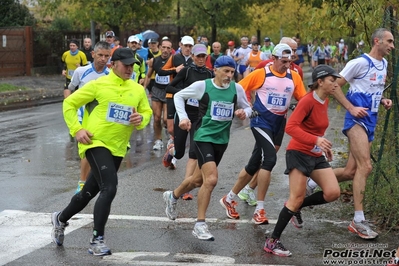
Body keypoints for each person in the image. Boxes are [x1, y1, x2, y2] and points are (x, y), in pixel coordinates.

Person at [51, 47, 153, 255]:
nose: (129, 68)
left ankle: (60, 218)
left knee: (87, 193)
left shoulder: (137, 89)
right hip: (95, 142)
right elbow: (69, 103)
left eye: (132, 64)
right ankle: (96, 240)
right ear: (113, 65)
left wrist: (141, 119)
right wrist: (77, 129)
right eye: (125, 64)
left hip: (118, 147)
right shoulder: (98, 85)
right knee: (110, 187)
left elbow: (146, 111)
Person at [162, 56, 252, 241]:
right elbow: (178, 96)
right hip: (203, 136)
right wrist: (184, 117)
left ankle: (172, 196)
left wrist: (244, 112)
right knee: (210, 180)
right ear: (216, 70)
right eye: (225, 71)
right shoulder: (203, 86)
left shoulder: (237, 88)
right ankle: (200, 224)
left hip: (222, 140)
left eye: (232, 72)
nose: (229, 75)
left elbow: (248, 107)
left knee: (196, 180)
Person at [219, 44, 306, 225]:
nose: (287, 65)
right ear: (273, 58)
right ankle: (260, 209)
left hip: (278, 123)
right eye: (283, 61)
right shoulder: (261, 74)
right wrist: (245, 108)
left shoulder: (294, 76)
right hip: (260, 121)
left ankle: (229, 197)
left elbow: (303, 100)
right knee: (270, 160)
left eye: (289, 61)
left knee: (253, 164)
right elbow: (238, 89)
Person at [264, 65, 341, 256]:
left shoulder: (325, 100)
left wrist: (323, 147)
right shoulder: (307, 101)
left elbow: (317, 129)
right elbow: (290, 127)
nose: (336, 83)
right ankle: (272, 242)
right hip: (298, 153)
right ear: (320, 82)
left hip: (315, 155)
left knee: (333, 192)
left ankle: (296, 208)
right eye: (332, 80)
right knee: (295, 198)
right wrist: (315, 140)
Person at [328, 28, 393, 239]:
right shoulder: (359, 63)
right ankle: (358, 220)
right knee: (366, 166)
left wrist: (382, 100)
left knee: (350, 171)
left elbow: (372, 88)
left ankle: (312, 180)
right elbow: (334, 86)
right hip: (356, 120)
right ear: (377, 41)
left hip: (371, 119)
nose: (393, 46)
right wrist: (350, 108)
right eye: (389, 41)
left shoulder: (384, 64)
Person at [163, 43, 213, 198]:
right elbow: (169, 88)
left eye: (203, 56)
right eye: (197, 56)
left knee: (193, 152)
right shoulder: (186, 71)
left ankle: (186, 189)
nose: (200, 59)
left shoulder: (209, 74)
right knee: (179, 154)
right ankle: (172, 148)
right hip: (184, 114)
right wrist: (186, 93)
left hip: (199, 117)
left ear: (206, 57)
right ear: (192, 56)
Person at [66, 41, 111, 194]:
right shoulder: (81, 72)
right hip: (82, 117)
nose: (103, 59)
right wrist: (68, 107)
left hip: (100, 119)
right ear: (93, 54)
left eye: (106, 56)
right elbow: (70, 89)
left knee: (96, 150)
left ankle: (91, 180)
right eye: (100, 55)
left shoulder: (110, 76)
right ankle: (82, 182)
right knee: (87, 149)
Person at [156, 35, 194, 153]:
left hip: (189, 97)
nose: (187, 48)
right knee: (171, 127)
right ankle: (173, 139)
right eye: (185, 46)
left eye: (190, 46)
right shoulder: (174, 58)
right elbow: (161, 71)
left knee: (186, 125)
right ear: (180, 45)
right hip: (172, 94)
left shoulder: (195, 60)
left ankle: (175, 149)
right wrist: (174, 70)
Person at [143, 38, 175, 150]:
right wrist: (144, 88)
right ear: (160, 47)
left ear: (171, 50)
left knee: (166, 119)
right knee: (156, 118)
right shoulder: (153, 61)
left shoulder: (174, 60)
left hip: (168, 91)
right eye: (164, 47)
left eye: (168, 48)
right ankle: (158, 140)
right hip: (156, 90)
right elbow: (148, 75)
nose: (165, 50)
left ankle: (169, 132)